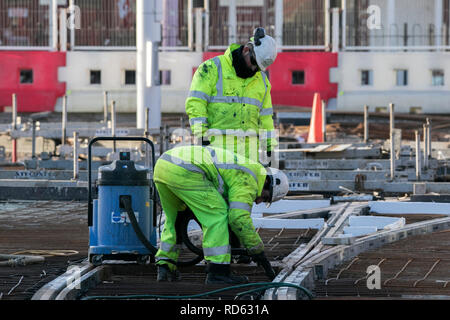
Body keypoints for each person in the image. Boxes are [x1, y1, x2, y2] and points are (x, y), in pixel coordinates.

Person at [153, 145, 289, 284]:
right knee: (218, 217)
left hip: (164, 165)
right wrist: (257, 249)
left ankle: (165, 266)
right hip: (187, 170)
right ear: (267, 182)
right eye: (265, 198)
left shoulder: (248, 168)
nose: (259, 202)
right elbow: (238, 218)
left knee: (175, 218)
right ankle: (218, 272)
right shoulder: (249, 179)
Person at [186, 28, 278, 165]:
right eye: (253, 63)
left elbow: (265, 119)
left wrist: (270, 149)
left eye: (258, 68)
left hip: (248, 158)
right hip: (216, 154)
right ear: (247, 50)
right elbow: (196, 105)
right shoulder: (211, 69)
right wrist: (201, 137)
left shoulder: (262, 82)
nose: (254, 70)